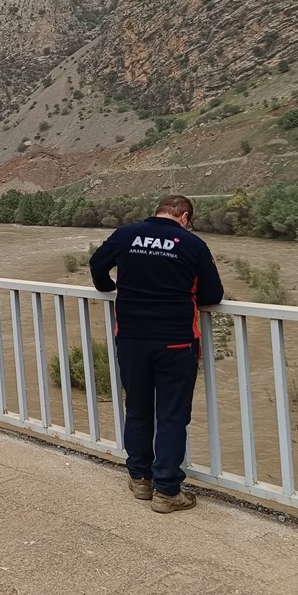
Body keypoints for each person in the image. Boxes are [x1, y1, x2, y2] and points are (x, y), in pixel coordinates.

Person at [89, 194, 223, 514]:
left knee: (137, 409)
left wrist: (108, 287)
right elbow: (213, 294)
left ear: (158, 212)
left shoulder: (126, 234)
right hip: (176, 342)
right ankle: (166, 491)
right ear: (185, 217)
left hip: (132, 340)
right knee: (172, 415)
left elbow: (97, 264)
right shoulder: (192, 244)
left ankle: (139, 480)